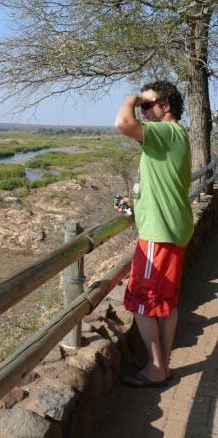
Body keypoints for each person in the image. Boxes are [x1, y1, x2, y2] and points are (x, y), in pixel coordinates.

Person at [114, 81, 194, 387]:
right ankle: (162, 363)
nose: (143, 110)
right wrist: (135, 202)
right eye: (142, 106)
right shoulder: (175, 136)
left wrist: (131, 97)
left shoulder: (166, 131)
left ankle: (156, 368)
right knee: (165, 303)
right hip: (172, 229)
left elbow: (123, 123)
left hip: (158, 235)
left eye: (148, 105)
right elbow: (163, 182)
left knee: (142, 300)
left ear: (166, 106)